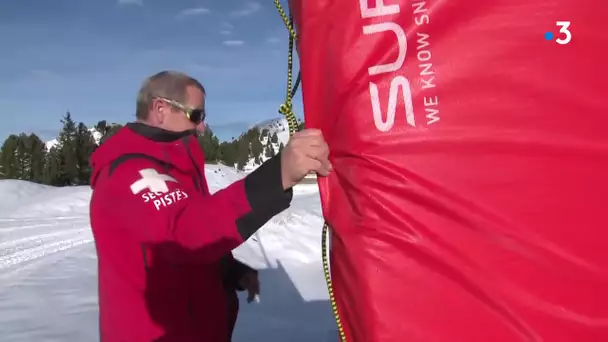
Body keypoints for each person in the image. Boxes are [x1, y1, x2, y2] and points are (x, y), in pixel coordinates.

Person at [88, 70, 331, 342]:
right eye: (196, 115)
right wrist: (278, 175)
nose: (202, 126)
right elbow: (184, 232)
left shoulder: (174, 161)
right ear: (160, 109)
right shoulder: (127, 172)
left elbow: (184, 241)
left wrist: (228, 271)